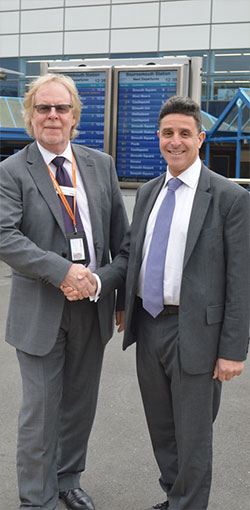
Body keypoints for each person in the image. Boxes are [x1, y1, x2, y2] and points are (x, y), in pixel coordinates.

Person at [69, 95, 250, 509]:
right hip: (149, 325)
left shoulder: (228, 198)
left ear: (200, 138)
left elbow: (242, 279)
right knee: (163, 429)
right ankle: (176, 495)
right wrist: (95, 281)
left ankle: (189, 503)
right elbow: (131, 257)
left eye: (184, 133)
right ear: (158, 138)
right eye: (168, 133)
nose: (175, 141)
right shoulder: (149, 192)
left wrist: (232, 350)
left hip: (198, 333)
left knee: (194, 434)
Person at [0, 73, 128, 510]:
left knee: (78, 405)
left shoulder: (101, 164)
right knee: (40, 411)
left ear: (75, 116)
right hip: (40, 310)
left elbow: (123, 244)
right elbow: (5, 236)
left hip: (92, 306)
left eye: (61, 108)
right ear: (30, 115)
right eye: (43, 108)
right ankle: (37, 500)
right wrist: (63, 272)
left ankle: (66, 479)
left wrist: (106, 286)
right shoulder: (12, 171)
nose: (52, 116)